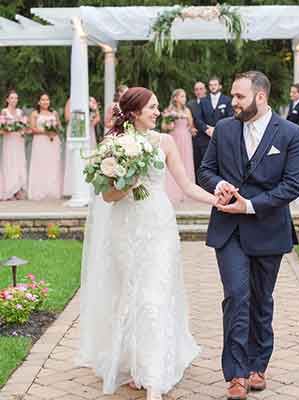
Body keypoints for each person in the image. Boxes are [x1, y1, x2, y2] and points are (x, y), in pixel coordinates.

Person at [78, 87, 218, 399]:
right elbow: (108, 196)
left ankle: (154, 369)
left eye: (157, 107)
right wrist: (129, 180)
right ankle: (134, 360)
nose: (158, 112)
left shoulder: (165, 142)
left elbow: (186, 184)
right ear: (134, 112)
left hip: (158, 224)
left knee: (155, 292)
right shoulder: (112, 145)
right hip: (125, 225)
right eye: (152, 108)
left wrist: (217, 201)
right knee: (129, 292)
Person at [199, 71, 299, 399]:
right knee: (236, 296)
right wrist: (218, 185)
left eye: (239, 97)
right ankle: (236, 373)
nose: (233, 102)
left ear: (260, 97)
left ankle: (258, 364)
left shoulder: (291, 134)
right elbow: (205, 170)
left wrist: (249, 205)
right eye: (233, 95)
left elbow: (293, 185)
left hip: (268, 228)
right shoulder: (225, 130)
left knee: (261, 300)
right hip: (227, 230)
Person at [193, 77, 234, 180]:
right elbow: (198, 119)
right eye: (211, 85)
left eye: (215, 84)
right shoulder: (202, 101)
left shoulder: (227, 100)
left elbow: (231, 117)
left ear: (220, 86)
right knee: (205, 164)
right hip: (205, 138)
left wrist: (218, 129)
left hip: (223, 138)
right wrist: (207, 129)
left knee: (222, 163)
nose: (213, 87)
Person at [162, 89, 196, 204]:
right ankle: (173, 191)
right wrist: (169, 123)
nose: (184, 99)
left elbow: (191, 125)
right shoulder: (168, 111)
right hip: (174, 138)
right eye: (182, 96)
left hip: (185, 139)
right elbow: (164, 127)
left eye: (185, 96)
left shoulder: (187, 110)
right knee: (174, 162)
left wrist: (192, 129)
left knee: (186, 162)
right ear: (175, 98)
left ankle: (186, 192)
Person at [63, 96, 100, 196]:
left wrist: (90, 122)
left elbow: (98, 117)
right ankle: (73, 188)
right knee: (75, 156)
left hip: (89, 131)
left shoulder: (92, 99)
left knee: (90, 157)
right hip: (76, 129)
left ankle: (90, 187)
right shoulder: (71, 100)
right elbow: (67, 117)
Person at [28, 93, 62, 200]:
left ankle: (52, 191)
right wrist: (46, 131)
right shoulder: (34, 113)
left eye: (47, 99)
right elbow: (33, 128)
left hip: (52, 142)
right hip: (40, 142)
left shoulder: (54, 113)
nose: (45, 102)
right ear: (38, 102)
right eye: (42, 100)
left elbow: (59, 127)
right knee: (40, 164)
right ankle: (39, 191)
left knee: (52, 164)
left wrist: (54, 131)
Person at [0, 90, 28, 200]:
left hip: (19, 141)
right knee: (9, 163)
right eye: (12, 98)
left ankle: (18, 190)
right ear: (7, 99)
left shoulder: (20, 112)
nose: (14, 100)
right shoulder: (4, 112)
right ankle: (9, 191)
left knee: (19, 163)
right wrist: (7, 130)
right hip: (9, 141)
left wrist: (23, 130)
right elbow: (1, 130)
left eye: (16, 98)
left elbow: (24, 127)